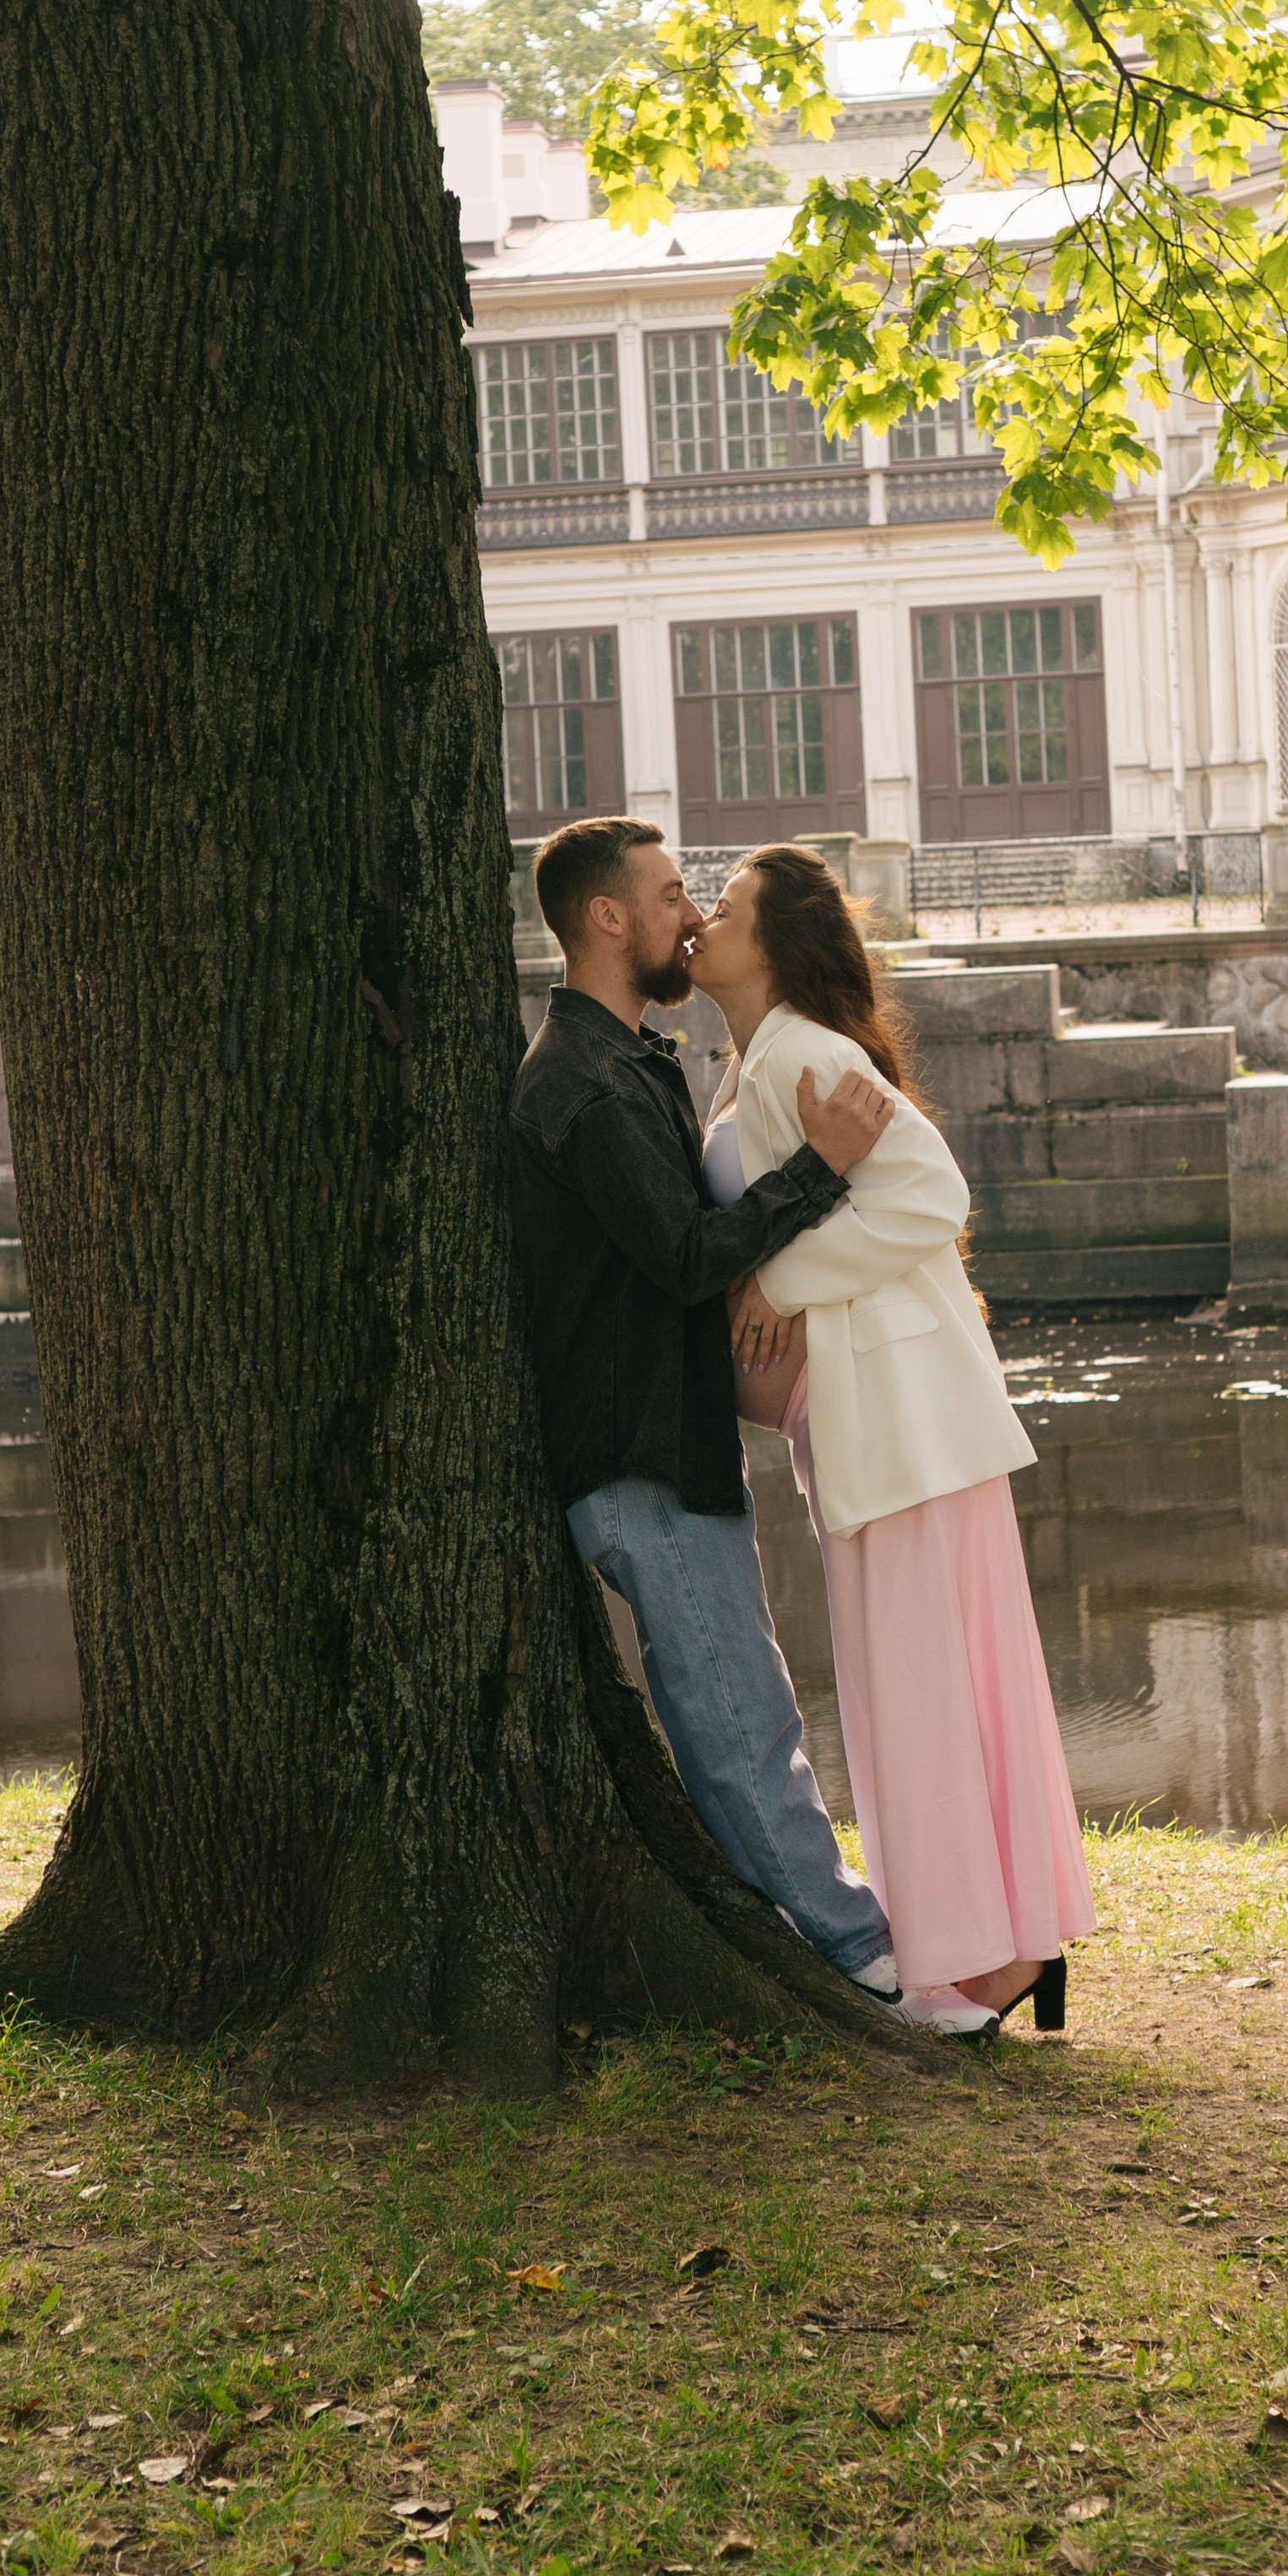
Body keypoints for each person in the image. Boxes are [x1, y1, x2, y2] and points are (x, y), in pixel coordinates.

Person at [689, 843, 1096, 2037]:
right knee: (929, 1686)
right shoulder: (759, 1062)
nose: (706, 921)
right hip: (870, 1418)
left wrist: (779, 1285)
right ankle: (999, 1945)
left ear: (775, 943)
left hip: (904, 1418)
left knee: (925, 1690)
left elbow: (932, 1197)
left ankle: (984, 1962)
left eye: (726, 907)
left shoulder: (810, 1057)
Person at [508, 815, 904, 2004]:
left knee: (741, 1710)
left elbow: (679, 1250)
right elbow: (679, 1252)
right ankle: (862, 1957)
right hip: (635, 1463)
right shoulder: (581, 1082)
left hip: (667, 1452)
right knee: (742, 1726)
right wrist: (820, 1167)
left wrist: (762, 1277)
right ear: (608, 918)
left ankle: (807, 1943)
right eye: (673, 894)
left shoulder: (628, 1060)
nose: (691, 915)